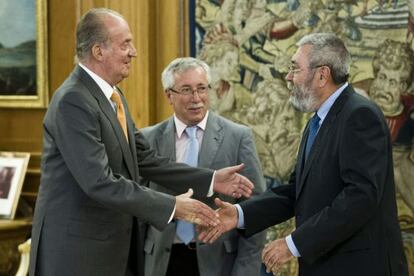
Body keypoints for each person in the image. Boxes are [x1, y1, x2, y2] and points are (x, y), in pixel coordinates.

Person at [29, 8, 255, 276]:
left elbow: (144, 159)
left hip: (111, 250)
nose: (133, 51)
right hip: (79, 256)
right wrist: (173, 206)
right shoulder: (73, 100)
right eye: (125, 44)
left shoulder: (113, 96)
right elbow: (99, 182)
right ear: (99, 51)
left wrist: (211, 179)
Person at [199, 32, 408, 275]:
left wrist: (293, 244)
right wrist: (239, 214)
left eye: (295, 68)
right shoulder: (316, 121)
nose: (288, 76)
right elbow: (296, 191)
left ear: (322, 75)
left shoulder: (360, 115)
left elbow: (359, 197)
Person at [141, 57, 266, 276]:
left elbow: (256, 209)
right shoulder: (147, 139)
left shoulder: (238, 136)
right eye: (187, 90)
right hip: (161, 263)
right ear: (169, 95)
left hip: (219, 264)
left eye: (202, 88)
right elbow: (136, 207)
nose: (196, 98)